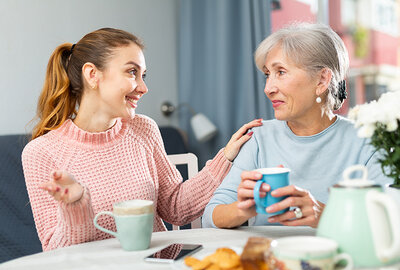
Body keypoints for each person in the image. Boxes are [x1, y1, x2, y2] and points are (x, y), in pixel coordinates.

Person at [22, 28, 262, 251]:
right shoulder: (40, 152)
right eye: (131, 72)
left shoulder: (143, 129)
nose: (143, 87)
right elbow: (55, 252)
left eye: (143, 74)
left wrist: (226, 156)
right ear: (92, 74)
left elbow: (176, 208)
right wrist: (75, 207)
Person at [202, 23, 391, 229]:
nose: (268, 88)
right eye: (267, 74)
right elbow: (210, 217)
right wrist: (241, 209)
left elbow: (388, 221)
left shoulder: (367, 141)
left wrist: (325, 215)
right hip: (270, 258)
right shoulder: (259, 137)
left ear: (321, 80)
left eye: (281, 72)